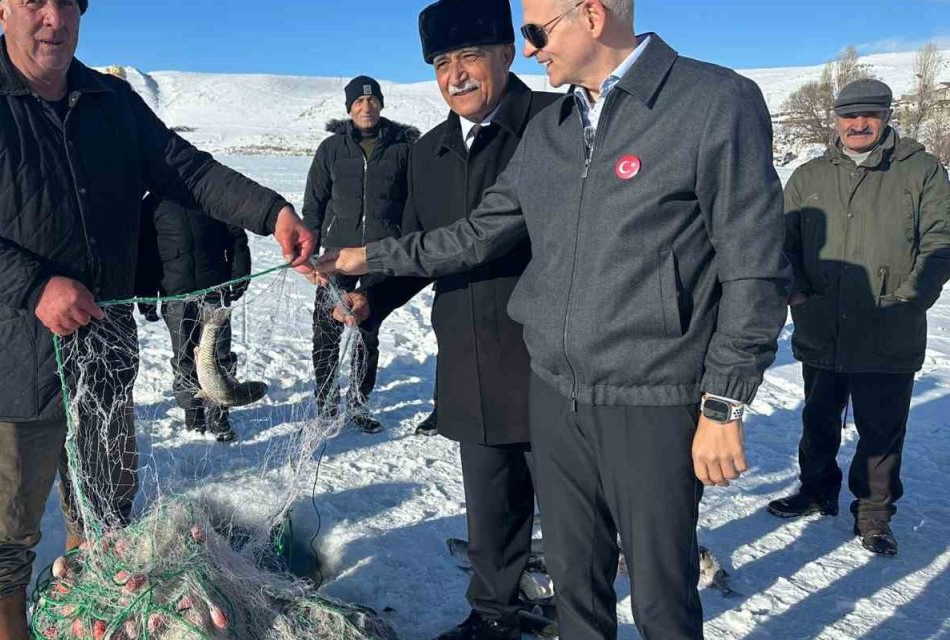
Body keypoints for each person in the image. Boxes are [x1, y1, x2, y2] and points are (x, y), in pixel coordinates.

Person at [317, 1, 790, 637]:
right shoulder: (554, 130)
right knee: (574, 586)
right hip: (555, 394)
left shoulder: (711, 102)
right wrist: (365, 257)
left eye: (536, 33)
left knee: (660, 596)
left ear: (591, 15)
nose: (532, 50)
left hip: (651, 396)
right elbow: (477, 235)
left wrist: (724, 405)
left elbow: (754, 267)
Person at [0, 1, 313, 637]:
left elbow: (185, 169)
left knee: (104, 518)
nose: (53, 18)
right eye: (34, 1)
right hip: (5, 373)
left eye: (68, 2)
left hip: (103, 364)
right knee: (0, 547)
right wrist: (35, 286)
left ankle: (86, 621)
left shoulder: (111, 101)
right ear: (1, 8)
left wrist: (271, 212)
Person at [334, 0, 560, 636]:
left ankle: (575, 614)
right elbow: (416, 246)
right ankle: (494, 615)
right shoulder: (428, 152)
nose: (455, 75)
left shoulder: (554, 123)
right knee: (489, 507)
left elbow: (479, 237)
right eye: (441, 63)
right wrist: (370, 298)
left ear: (506, 55)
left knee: (573, 512)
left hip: (550, 357)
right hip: (468, 355)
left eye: (469, 58)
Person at [769, 78, 950, 557]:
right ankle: (816, 489)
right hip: (821, 323)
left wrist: (910, 298)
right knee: (817, 418)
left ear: (887, 116)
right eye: (849, 115)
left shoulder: (922, 171)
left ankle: (873, 513)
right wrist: (796, 292)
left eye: (869, 114)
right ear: (836, 119)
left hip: (888, 326)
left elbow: (940, 241)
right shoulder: (808, 176)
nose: (859, 123)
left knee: (882, 428)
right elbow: (782, 245)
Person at [302, 76, 418, 433]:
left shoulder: (403, 149)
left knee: (367, 332)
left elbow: (412, 202)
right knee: (325, 331)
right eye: (358, 103)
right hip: (336, 256)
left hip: (379, 256)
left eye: (372, 101)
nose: (366, 108)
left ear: (381, 104)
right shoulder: (332, 149)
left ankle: (359, 404)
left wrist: (404, 246)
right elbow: (314, 204)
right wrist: (310, 253)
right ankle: (326, 404)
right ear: (349, 108)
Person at [135, 192, 255, 443]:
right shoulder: (152, 205)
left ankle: (220, 410)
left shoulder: (212, 195)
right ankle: (193, 409)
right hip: (175, 295)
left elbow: (236, 237)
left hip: (214, 290)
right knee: (184, 357)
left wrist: (240, 272)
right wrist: (146, 295)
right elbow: (144, 255)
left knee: (219, 355)